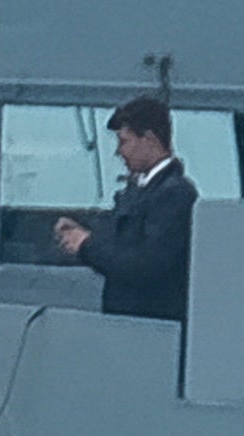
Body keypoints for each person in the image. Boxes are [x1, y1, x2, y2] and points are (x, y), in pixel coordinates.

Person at [51, 96, 197, 321]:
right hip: (130, 322)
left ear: (148, 139)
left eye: (124, 141)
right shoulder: (142, 191)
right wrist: (83, 230)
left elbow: (148, 265)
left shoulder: (175, 195)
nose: (119, 152)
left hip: (152, 324)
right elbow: (119, 238)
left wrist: (86, 245)